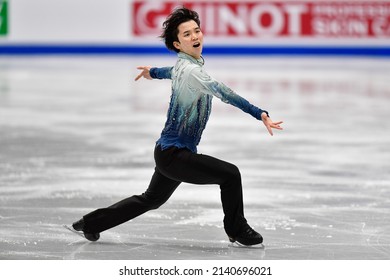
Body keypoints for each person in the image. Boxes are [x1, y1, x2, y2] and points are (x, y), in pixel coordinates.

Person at [70, 7, 283, 246]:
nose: (195, 37)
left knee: (150, 200)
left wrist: (153, 72)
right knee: (230, 175)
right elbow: (225, 93)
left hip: (167, 152)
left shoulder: (185, 66)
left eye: (197, 31)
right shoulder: (194, 72)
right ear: (178, 44)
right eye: (187, 34)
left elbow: (171, 71)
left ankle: (89, 223)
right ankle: (236, 229)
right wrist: (259, 113)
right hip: (175, 155)